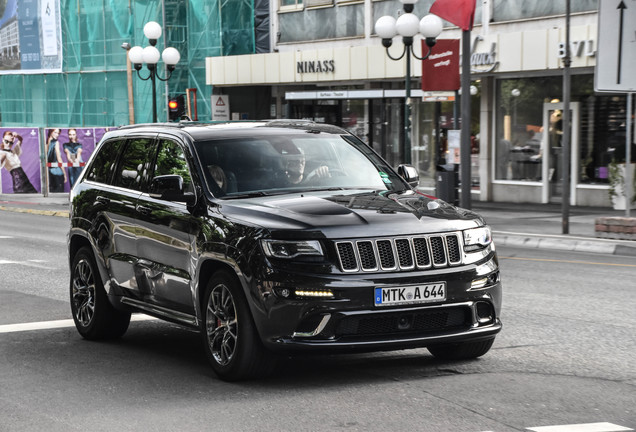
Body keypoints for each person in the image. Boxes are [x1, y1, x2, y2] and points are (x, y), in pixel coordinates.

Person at [46, 128, 67, 192]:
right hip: (57, 172)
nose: (57, 135)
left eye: (58, 133)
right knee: (59, 194)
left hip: (49, 173)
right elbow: (59, 159)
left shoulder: (46, 143)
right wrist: (64, 173)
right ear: (50, 132)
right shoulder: (56, 142)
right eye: (55, 132)